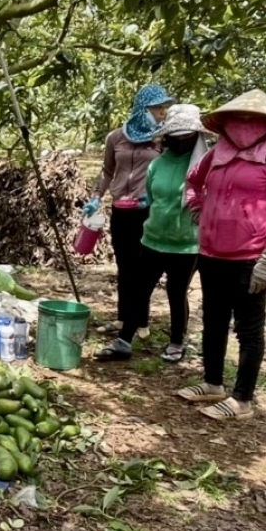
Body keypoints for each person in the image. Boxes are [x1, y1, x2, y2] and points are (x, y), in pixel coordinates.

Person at [176, 89, 266, 420]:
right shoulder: (217, 153)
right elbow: (192, 182)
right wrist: (198, 208)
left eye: (252, 119)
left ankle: (242, 399)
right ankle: (213, 383)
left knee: (248, 328)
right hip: (212, 252)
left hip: (251, 258)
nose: (244, 125)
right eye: (239, 118)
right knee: (213, 320)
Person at [95, 105, 209, 363]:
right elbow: (153, 195)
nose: (181, 141)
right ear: (167, 136)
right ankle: (124, 341)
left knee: (176, 293)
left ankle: (177, 341)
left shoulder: (202, 166)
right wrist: (144, 205)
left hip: (186, 243)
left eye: (186, 136)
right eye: (176, 136)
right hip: (153, 238)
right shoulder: (157, 164)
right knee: (139, 290)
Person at [84, 83, 174, 336]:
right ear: (142, 108)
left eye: (163, 108)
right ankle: (124, 319)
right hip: (121, 210)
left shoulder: (162, 139)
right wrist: (96, 196)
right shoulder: (116, 137)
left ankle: (141, 322)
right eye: (157, 108)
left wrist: (155, 197)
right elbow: (107, 171)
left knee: (142, 268)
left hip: (147, 211)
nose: (161, 113)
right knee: (124, 267)